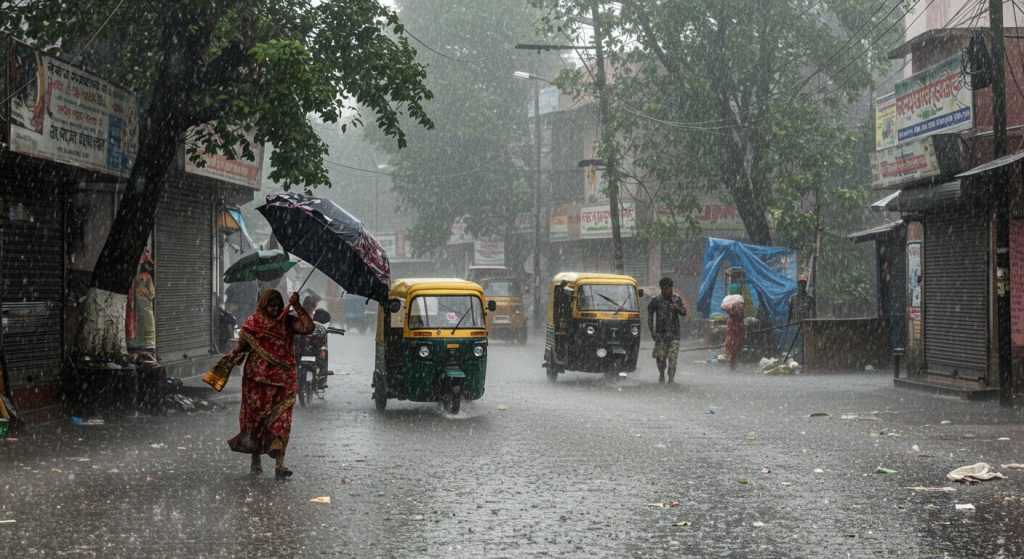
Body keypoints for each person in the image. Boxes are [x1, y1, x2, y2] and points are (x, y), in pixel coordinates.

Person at [226, 289, 314, 479]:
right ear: (263, 305)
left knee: (282, 420)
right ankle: (255, 459)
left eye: (278, 306)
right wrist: (233, 355)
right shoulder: (253, 322)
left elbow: (308, 328)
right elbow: (242, 345)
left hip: (284, 380)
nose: (275, 310)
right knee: (256, 421)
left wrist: (297, 306)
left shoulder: (288, 321)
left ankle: (280, 464)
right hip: (256, 381)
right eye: (271, 306)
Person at [647, 277, 686, 384]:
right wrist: (652, 330)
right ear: (661, 288)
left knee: (673, 359)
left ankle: (671, 380)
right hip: (660, 335)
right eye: (665, 288)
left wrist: (677, 308)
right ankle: (661, 374)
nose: (668, 290)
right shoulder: (656, 300)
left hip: (674, 335)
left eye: (669, 288)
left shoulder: (677, 299)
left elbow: (684, 312)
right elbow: (650, 315)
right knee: (660, 358)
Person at [723, 284, 746, 371]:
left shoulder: (729, 301)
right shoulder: (739, 301)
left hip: (732, 322)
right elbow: (741, 311)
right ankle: (733, 361)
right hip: (738, 323)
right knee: (738, 341)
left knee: (732, 340)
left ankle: (732, 360)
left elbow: (726, 309)